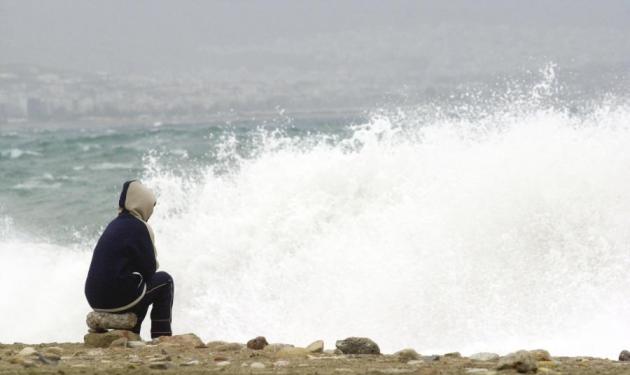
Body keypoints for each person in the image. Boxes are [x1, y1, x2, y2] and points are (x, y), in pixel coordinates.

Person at [85, 180, 174, 338]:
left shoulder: (114, 225)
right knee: (165, 281)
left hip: (94, 298)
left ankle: (133, 334)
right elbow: (150, 269)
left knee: (138, 285)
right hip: (117, 298)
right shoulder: (139, 227)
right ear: (143, 205)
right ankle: (162, 336)